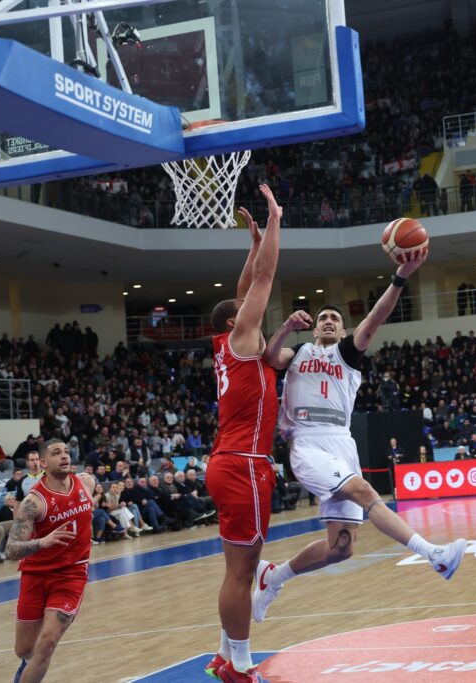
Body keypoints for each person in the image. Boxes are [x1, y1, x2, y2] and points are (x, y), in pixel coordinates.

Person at [252, 247, 466, 628]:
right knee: (367, 493)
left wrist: (400, 277)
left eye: (336, 318)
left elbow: (376, 316)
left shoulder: (348, 355)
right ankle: (434, 554)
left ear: (343, 330)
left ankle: (274, 576)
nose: (330, 321)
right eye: (324, 319)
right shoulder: (299, 351)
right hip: (308, 442)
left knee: (340, 549)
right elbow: (268, 358)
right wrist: (285, 326)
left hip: (341, 442)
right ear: (315, 329)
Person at [202, 185, 283, 683]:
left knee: (242, 567)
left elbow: (250, 282)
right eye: (244, 306)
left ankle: (223, 655)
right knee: (240, 571)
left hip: (232, 461)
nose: (251, 302)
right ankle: (241, 666)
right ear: (237, 321)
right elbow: (266, 278)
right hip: (242, 464)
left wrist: (251, 247)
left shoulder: (227, 343)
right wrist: (275, 221)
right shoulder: (241, 336)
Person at [7, 438, 95, 683]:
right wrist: (43, 542)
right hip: (36, 575)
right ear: (43, 463)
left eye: (66, 452)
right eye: (57, 453)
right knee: (25, 649)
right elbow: (11, 549)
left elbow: (88, 506)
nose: (65, 456)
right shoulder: (33, 503)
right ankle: (27, 664)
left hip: (72, 574)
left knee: (47, 643)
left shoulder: (86, 482)